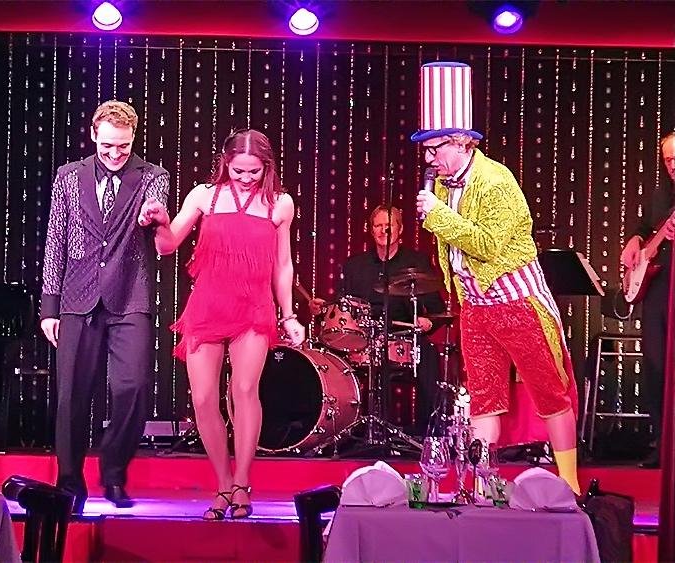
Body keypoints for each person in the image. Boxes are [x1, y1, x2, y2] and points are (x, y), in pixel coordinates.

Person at [412, 61, 581, 493]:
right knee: (483, 398)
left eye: (435, 149)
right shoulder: (444, 185)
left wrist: (438, 217)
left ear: (462, 142)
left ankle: (570, 485)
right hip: (476, 306)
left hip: (518, 303)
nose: (429, 159)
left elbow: (487, 244)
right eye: (426, 151)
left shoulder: (495, 181)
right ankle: (481, 487)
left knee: (550, 392)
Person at [139, 129, 305, 519]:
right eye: (238, 170)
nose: (246, 178)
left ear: (267, 167)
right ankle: (223, 484)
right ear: (225, 163)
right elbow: (166, 245)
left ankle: (243, 483)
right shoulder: (204, 196)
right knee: (202, 399)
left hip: (254, 308)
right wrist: (159, 221)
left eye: (254, 171)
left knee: (244, 390)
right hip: (208, 305)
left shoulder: (280, 203)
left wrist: (289, 315)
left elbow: (283, 265)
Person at [39, 100, 170, 510]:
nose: (115, 154)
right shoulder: (69, 177)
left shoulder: (152, 177)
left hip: (130, 296)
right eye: (108, 145)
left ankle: (114, 474)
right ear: (94, 134)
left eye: (123, 146)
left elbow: (155, 208)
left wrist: (152, 216)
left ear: (134, 139)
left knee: (132, 387)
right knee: (72, 395)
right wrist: (49, 307)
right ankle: (69, 480)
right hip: (77, 297)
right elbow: (56, 239)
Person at [327, 205, 447, 435]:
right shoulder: (354, 266)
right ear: (371, 230)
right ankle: (346, 430)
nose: (383, 231)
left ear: (400, 230)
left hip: (404, 336)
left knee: (429, 355)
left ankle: (426, 434)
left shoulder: (417, 262)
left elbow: (437, 310)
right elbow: (342, 305)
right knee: (334, 356)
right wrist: (324, 307)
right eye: (378, 226)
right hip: (363, 337)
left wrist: (428, 322)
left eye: (389, 226)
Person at [620, 131, 675, 468]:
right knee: (655, 366)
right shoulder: (660, 192)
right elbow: (644, 226)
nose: (672, 165)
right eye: (667, 160)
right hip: (657, 288)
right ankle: (661, 442)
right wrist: (635, 239)